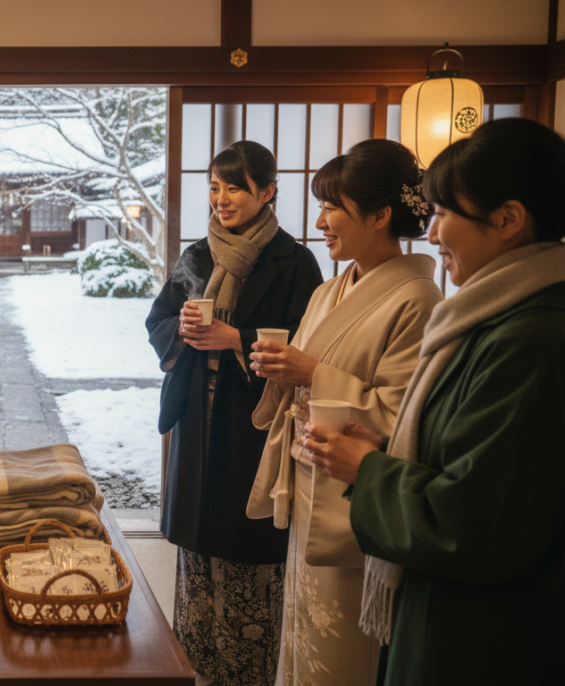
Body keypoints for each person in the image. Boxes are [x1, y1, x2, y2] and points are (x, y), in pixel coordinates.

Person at [303, 118, 565, 686]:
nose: (431, 234)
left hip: (488, 635)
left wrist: (369, 470)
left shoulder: (532, 341)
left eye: (445, 214)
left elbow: (475, 523)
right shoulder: (493, 318)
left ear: (508, 220)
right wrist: (386, 450)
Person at [245, 139, 443, 686]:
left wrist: (310, 373)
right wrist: (281, 373)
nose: (320, 220)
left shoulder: (418, 300)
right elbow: (303, 375)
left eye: (333, 207)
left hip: (355, 492)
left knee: (341, 648)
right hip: (310, 476)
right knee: (302, 628)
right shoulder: (329, 291)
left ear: (380, 215)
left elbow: (402, 415)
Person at [146, 140, 323, 686]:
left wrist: (233, 338)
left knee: (249, 548)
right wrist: (179, 331)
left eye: (235, 188)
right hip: (197, 420)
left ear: (268, 191)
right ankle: (196, 669)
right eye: (215, 187)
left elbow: (308, 343)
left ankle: (247, 672)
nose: (221, 198)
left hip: (254, 426)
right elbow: (158, 320)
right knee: (198, 552)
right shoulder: (197, 255)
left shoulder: (295, 262)